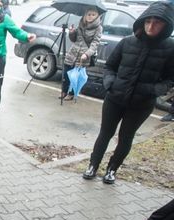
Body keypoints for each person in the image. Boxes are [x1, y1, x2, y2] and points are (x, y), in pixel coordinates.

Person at [82, 2, 174, 184]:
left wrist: (152, 91)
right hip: (115, 98)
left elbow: (170, 79)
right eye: (148, 21)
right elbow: (110, 67)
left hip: (141, 104)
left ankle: (112, 170)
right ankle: (93, 165)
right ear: (142, 22)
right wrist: (110, 84)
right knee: (105, 134)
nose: (151, 26)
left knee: (126, 138)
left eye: (157, 22)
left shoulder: (170, 48)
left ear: (166, 25)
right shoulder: (128, 42)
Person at [60, 7, 102, 101]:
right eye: (89, 14)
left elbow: (95, 44)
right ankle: (64, 91)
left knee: (75, 76)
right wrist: (71, 32)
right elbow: (74, 39)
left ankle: (71, 94)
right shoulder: (81, 24)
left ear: (97, 16)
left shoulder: (98, 28)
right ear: (85, 15)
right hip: (73, 52)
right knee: (66, 73)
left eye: (93, 14)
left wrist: (87, 54)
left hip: (83, 56)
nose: (90, 16)